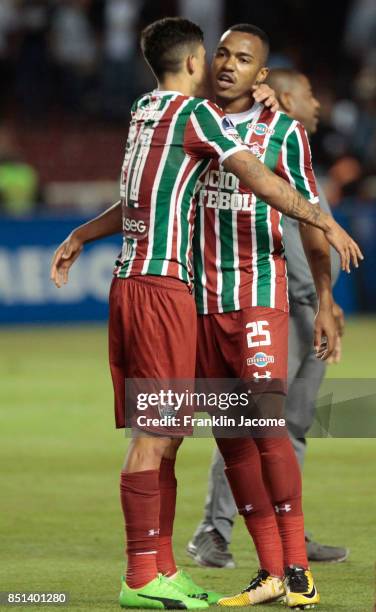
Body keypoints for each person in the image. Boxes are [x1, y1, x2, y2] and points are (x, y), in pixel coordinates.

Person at [50, 18, 362, 610]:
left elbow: (298, 210)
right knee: (221, 438)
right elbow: (156, 190)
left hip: (254, 301)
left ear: (261, 75)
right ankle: (259, 571)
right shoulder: (195, 120)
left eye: (243, 59)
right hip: (193, 305)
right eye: (221, 53)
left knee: (263, 427)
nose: (227, 64)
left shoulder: (274, 132)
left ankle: (295, 569)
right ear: (200, 61)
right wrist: (86, 231)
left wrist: (324, 296)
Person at [187, 66, 349, 577]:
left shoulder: (296, 151)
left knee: (293, 425)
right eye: (308, 93)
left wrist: (327, 299)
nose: (318, 103)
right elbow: (298, 231)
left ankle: (289, 528)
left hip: (312, 310)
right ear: (282, 97)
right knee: (253, 418)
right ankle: (213, 530)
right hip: (275, 304)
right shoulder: (260, 150)